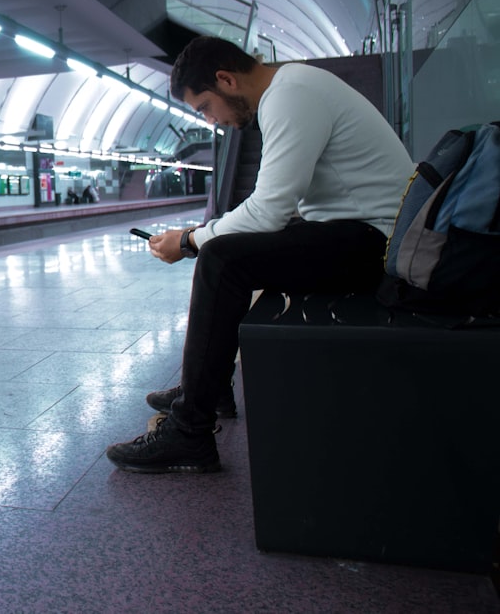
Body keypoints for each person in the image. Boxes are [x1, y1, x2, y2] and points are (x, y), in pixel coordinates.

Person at [106, 36, 414, 474]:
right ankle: (209, 390)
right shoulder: (292, 89)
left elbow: (267, 211)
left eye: (206, 108)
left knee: (222, 260)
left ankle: (190, 430)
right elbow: (275, 207)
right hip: (360, 232)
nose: (213, 121)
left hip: (374, 242)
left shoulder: (290, 96)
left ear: (226, 80)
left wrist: (192, 240)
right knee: (236, 252)